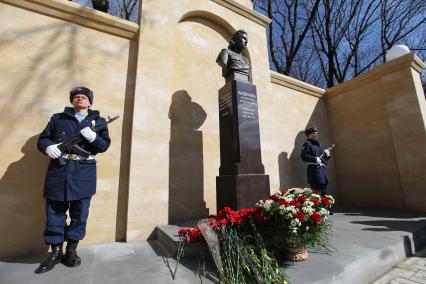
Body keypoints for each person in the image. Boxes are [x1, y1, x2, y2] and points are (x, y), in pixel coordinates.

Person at [35, 87, 111, 274]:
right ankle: (56, 252)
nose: (80, 98)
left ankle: (71, 250)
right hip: (58, 171)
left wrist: (93, 137)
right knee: (54, 213)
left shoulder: (98, 122)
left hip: (83, 173)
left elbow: (104, 145)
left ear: (89, 102)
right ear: (72, 101)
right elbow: (42, 140)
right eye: (76, 96)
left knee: (79, 214)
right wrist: (48, 148)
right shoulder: (57, 119)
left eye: (84, 96)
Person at [301, 127, 332, 197]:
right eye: (314, 133)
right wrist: (314, 159)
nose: (316, 134)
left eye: (317, 133)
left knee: (324, 191)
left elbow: (324, 158)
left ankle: (323, 207)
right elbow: (304, 156)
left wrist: (327, 154)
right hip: (314, 171)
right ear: (309, 135)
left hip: (322, 171)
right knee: (317, 193)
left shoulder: (318, 145)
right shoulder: (307, 144)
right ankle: (319, 207)